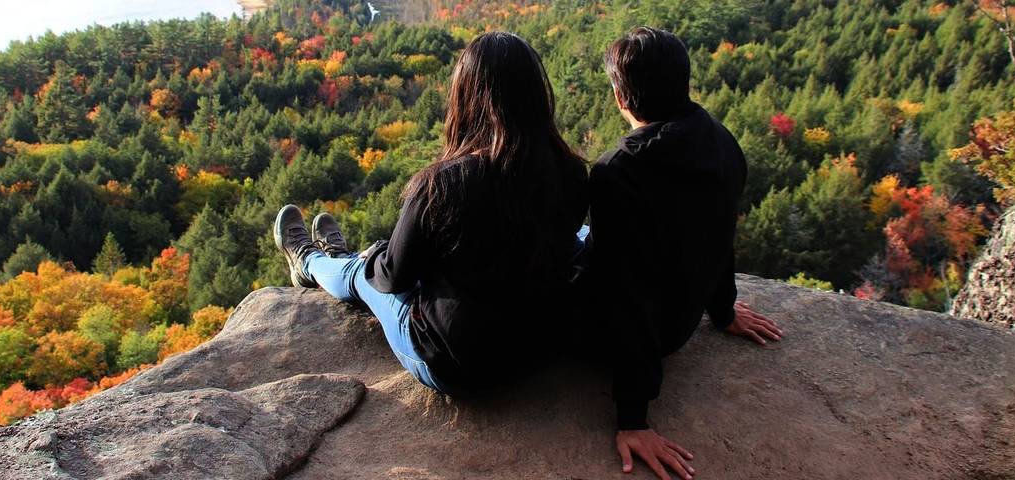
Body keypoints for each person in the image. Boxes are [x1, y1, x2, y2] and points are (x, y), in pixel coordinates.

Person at [273, 30, 588, 394]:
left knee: (363, 275)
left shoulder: (443, 183)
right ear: (536, 94)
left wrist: (375, 255)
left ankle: (310, 262)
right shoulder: (571, 172)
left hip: (458, 366)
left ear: (465, 96)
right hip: (539, 354)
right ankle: (334, 259)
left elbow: (394, 278)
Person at [584, 26, 783, 480]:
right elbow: (717, 233)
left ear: (621, 98)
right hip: (683, 321)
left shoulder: (618, 172)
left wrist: (633, 418)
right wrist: (724, 310)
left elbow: (626, 291)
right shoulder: (721, 141)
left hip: (633, 339)